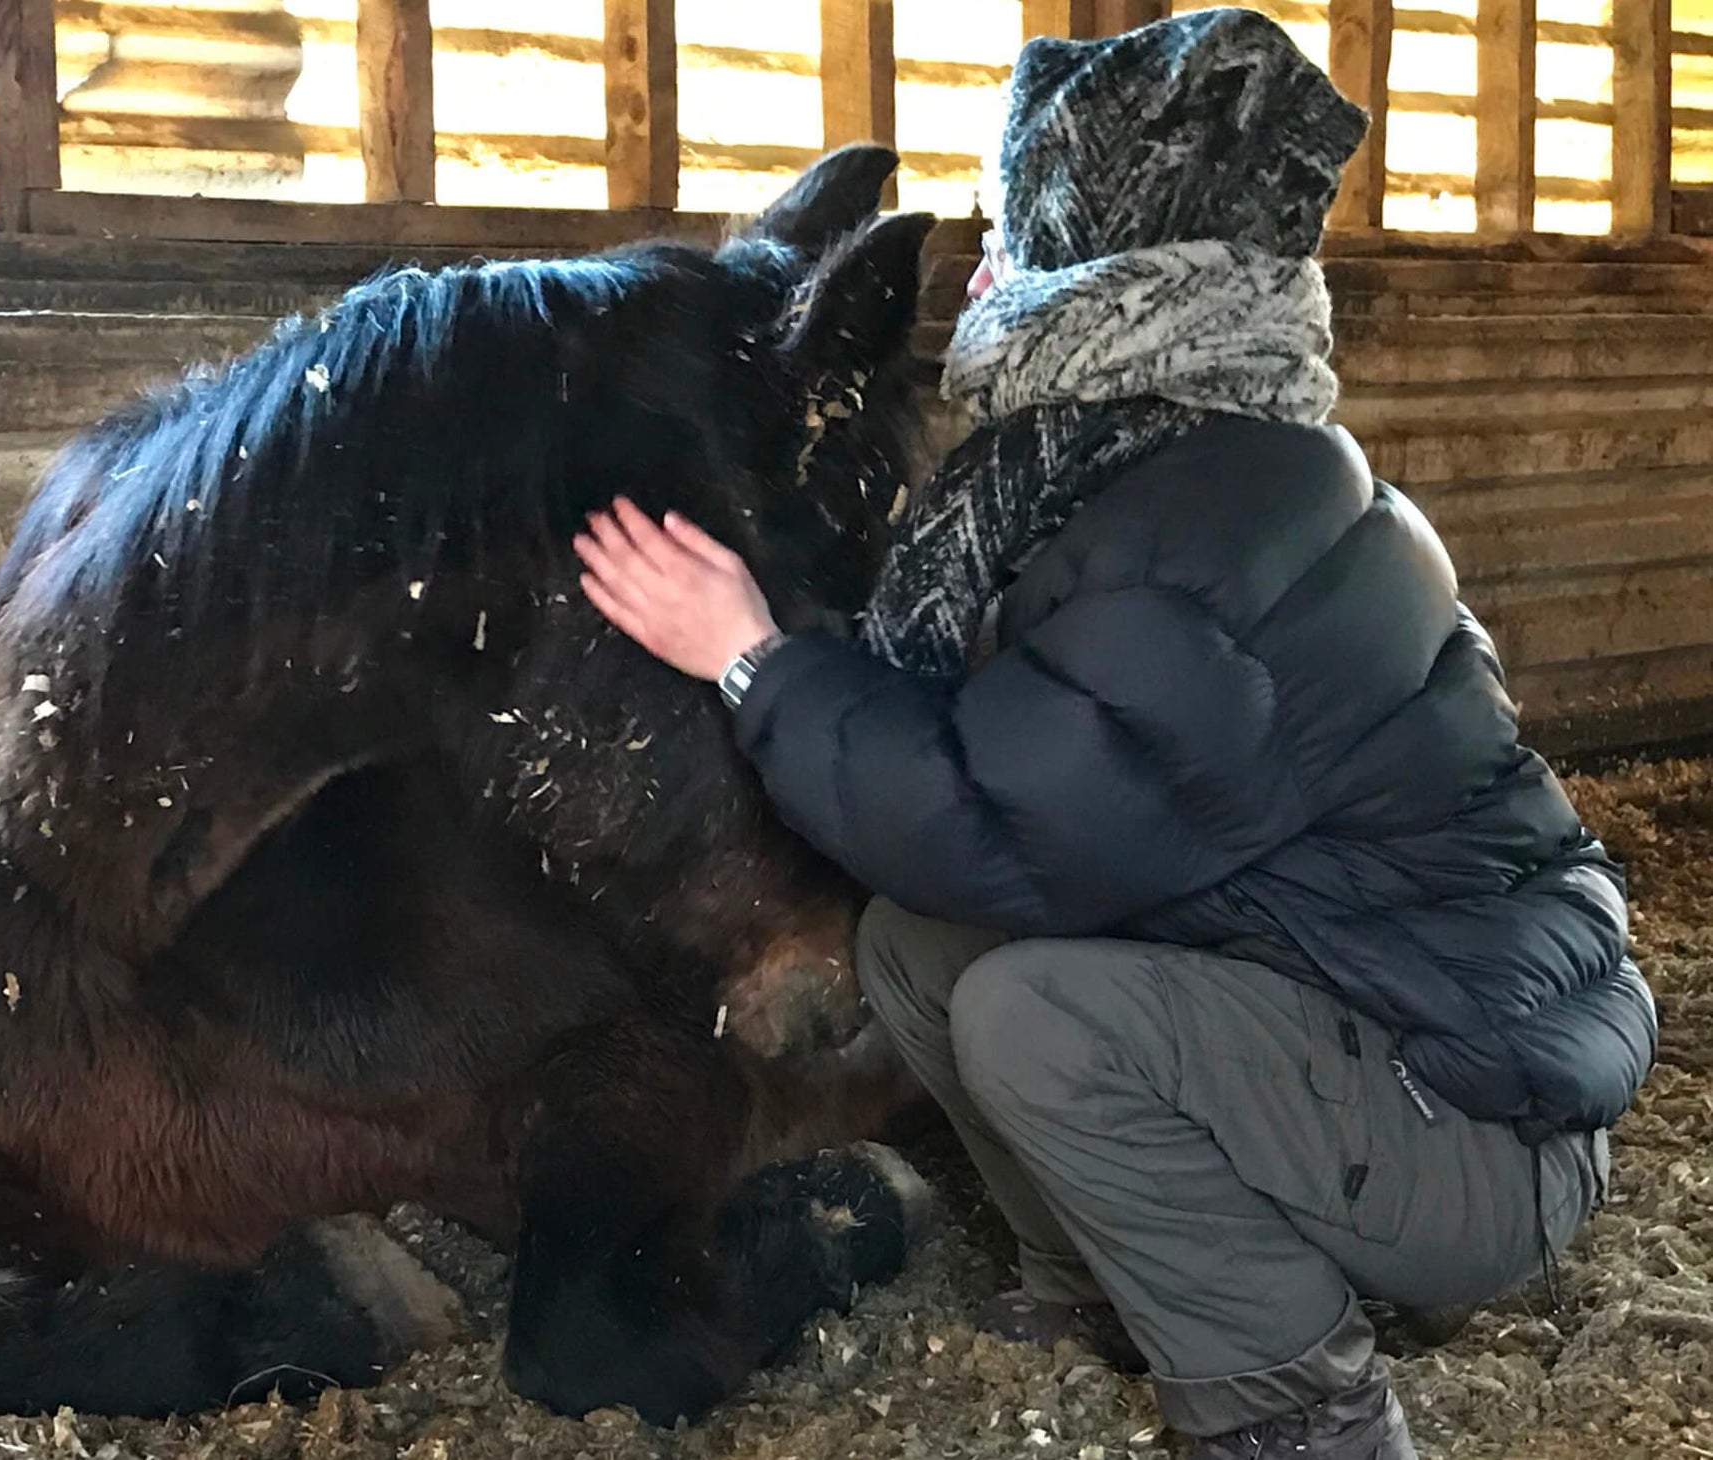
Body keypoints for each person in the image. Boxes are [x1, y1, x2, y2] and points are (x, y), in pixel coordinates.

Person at [571, 10, 1656, 1458]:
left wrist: (749, 660)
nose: (986, 273)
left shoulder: (1199, 535)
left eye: (1022, 237)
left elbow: (985, 819)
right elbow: (1016, 790)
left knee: (1037, 1017)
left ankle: (1299, 1411)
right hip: (1387, 1027)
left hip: (1472, 1127)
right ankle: (1104, 1284)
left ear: (1110, 266)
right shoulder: (1195, 462)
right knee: (922, 951)